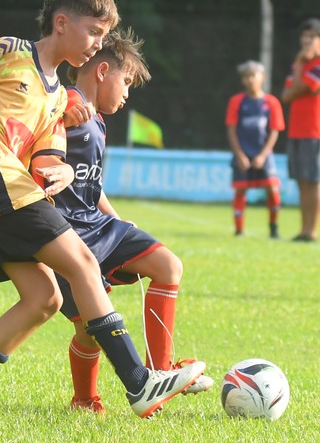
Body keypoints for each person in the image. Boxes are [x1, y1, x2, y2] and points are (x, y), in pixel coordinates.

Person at [0, 0, 204, 420]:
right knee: (83, 263)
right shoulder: (10, 51)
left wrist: (64, 167)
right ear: (62, 23)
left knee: (44, 299)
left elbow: (48, 157)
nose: (97, 44)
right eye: (94, 32)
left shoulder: (57, 96)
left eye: (104, 37)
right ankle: (138, 382)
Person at [52, 29, 213, 414]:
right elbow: (40, 134)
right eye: (126, 83)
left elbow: (92, 183)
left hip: (96, 223)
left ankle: (160, 370)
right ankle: (84, 400)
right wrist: (60, 113)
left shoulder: (99, 121)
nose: (126, 94)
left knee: (167, 265)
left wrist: (117, 220)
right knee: (90, 330)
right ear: (102, 71)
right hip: (63, 231)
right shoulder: (68, 103)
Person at [280, 18, 320, 242]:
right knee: (302, 181)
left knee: (314, 180)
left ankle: (313, 230)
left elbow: (296, 89)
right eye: (304, 36)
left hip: (315, 129)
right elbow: (286, 95)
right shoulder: (299, 63)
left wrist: (300, 67)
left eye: (312, 36)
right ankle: (304, 230)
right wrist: (300, 67)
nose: (306, 40)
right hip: (296, 129)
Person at [225, 61, 285, 238]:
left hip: (264, 155)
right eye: (246, 77)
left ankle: (274, 227)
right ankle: (239, 229)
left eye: (253, 75)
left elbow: (275, 131)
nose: (250, 80)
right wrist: (240, 155)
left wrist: (263, 155)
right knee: (241, 190)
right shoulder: (236, 102)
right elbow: (232, 129)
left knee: (272, 190)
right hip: (243, 153)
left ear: (262, 78)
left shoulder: (272, 102)